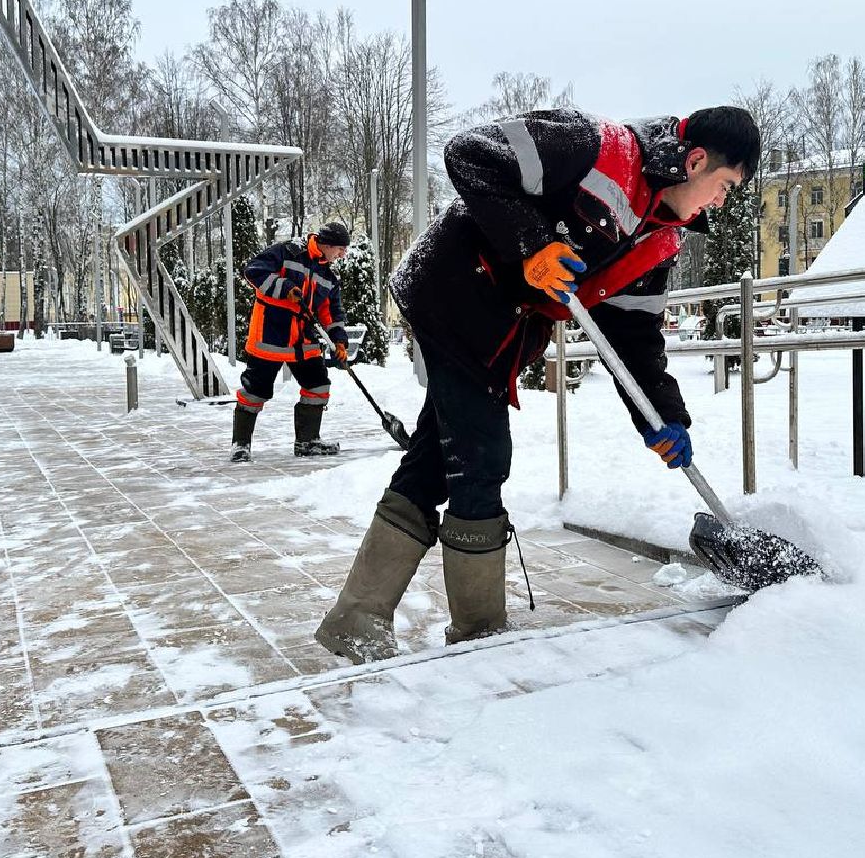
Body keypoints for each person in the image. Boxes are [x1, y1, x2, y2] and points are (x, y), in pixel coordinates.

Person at [316, 106, 760, 663]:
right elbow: (472, 153)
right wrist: (533, 243)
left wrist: (664, 417)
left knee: (434, 460)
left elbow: (635, 342)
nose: (720, 202)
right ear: (695, 161)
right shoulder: (599, 147)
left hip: (500, 334)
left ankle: (356, 619)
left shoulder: (660, 242)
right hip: (453, 294)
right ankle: (479, 636)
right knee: (480, 456)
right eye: (724, 186)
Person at [231, 222, 352, 462]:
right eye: (340, 249)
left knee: (318, 386)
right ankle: (240, 445)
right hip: (271, 334)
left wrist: (339, 341)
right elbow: (253, 270)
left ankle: (307, 442)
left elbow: (332, 313)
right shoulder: (288, 252)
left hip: (303, 340)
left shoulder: (328, 275)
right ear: (327, 245)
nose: (342, 254)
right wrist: (284, 287)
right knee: (255, 391)